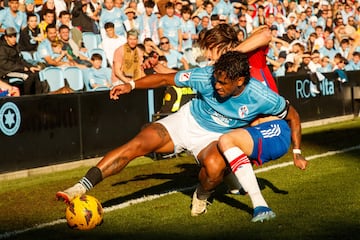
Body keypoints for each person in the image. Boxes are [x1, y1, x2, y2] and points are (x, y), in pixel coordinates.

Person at [57, 51, 307, 222]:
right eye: (216, 80)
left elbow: (293, 115)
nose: (217, 86)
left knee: (213, 171)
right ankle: (81, 186)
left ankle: (202, 194)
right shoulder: (206, 76)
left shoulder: (261, 96)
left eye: (223, 83)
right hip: (185, 122)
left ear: (240, 80)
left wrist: (296, 151)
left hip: (214, 140)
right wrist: (131, 85)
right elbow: (165, 78)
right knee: (138, 143)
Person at [0, 27, 42, 95]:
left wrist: (30, 66)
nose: (13, 39)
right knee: (28, 77)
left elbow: (21, 59)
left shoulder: (16, 46)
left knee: (36, 74)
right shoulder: (2, 48)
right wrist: (22, 68)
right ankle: (26, 98)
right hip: (6, 72)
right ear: (6, 37)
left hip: (17, 68)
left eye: (14, 36)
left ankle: (38, 96)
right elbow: (4, 64)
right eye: (11, 37)